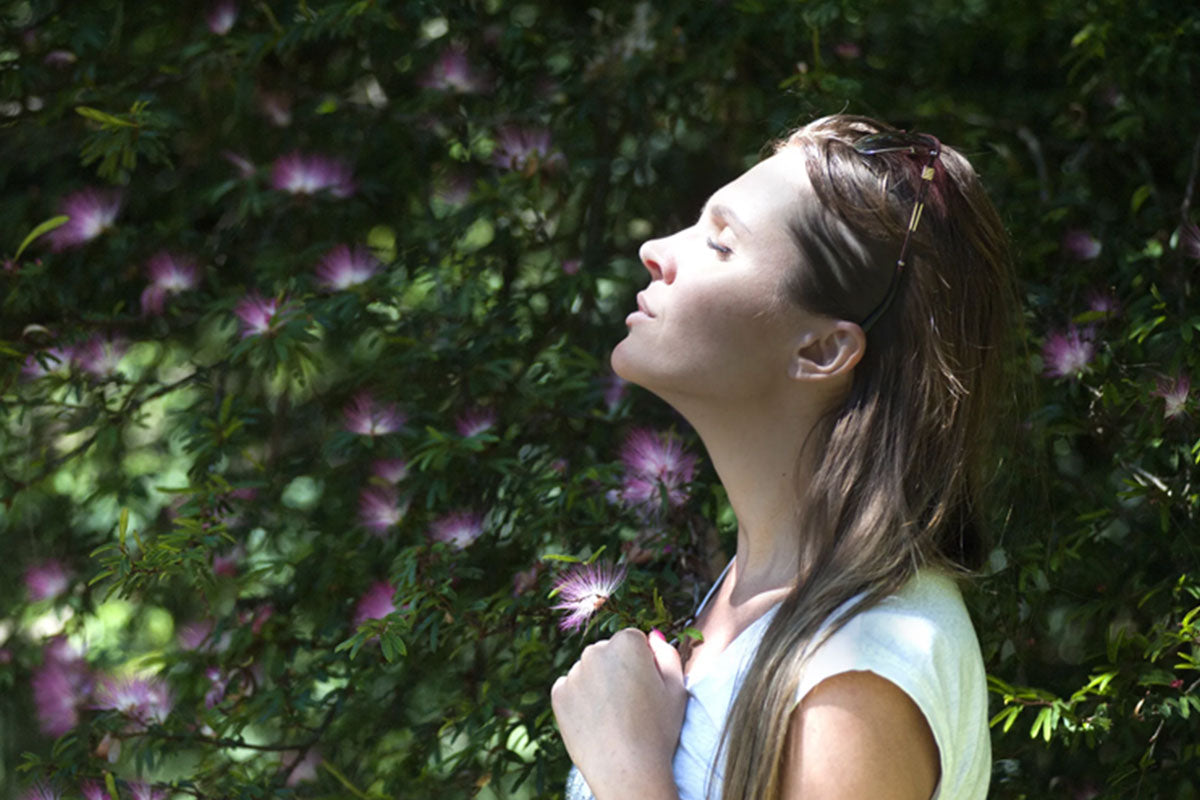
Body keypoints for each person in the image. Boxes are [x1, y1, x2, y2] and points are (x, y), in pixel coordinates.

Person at [550, 113, 1016, 800]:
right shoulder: (754, 599)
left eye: (721, 243)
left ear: (821, 351)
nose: (654, 248)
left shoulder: (861, 672)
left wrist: (625, 769)